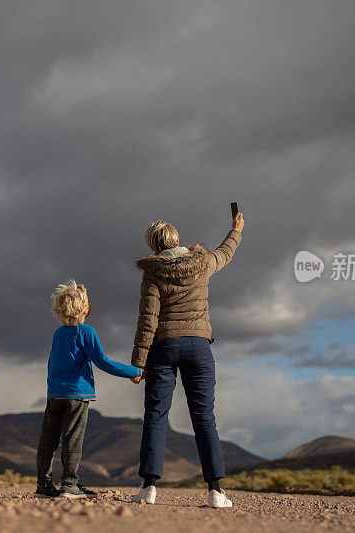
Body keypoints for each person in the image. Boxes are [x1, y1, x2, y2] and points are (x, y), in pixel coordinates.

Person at [130, 211, 244, 508]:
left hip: (163, 348)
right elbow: (225, 252)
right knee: (204, 417)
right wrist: (236, 229)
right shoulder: (202, 263)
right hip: (198, 347)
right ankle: (216, 492)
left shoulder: (152, 272)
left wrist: (138, 362)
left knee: (155, 415)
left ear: (154, 248)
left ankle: (148, 488)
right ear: (178, 239)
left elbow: (147, 320)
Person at [35, 279, 143, 499]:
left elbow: (51, 363)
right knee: (72, 440)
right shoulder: (86, 332)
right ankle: (69, 485)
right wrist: (135, 372)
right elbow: (102, 362)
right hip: (77, 394)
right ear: (83, 308)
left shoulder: (58, 334)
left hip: (54, 394)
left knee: (48, 441)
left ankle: (43, 486)